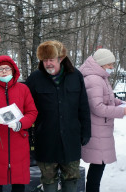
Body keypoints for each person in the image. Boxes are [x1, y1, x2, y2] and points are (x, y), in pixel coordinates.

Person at [25, 40, 91, 192]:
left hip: (71, 139)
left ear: (60, 59)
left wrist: (86, 131)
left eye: (51, 60)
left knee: (72, 179)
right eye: (44, 60)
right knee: (48, 180)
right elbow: (26, 108)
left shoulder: (76, 76)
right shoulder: (35, 79)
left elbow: (83, 106)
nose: (48, 63)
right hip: (46, 140)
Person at [0, 55, 38, 192]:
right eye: (0, 69)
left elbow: (32, 112)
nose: (4, 71)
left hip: (18, 144)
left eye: (7, 69)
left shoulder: (23, 90)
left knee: (18, 185)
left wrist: (21, 124)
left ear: (13, 70)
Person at [79, 48, 126, 192]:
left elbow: (105, 98)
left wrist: (118, 102)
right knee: (97, 168)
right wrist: (122, 111)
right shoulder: (94, 79)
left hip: (101, 130)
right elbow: (97, 107)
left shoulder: (100, 77)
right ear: (101, 64)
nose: (112, 67)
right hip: (96, 131)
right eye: (109, 64)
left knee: (98, 167)